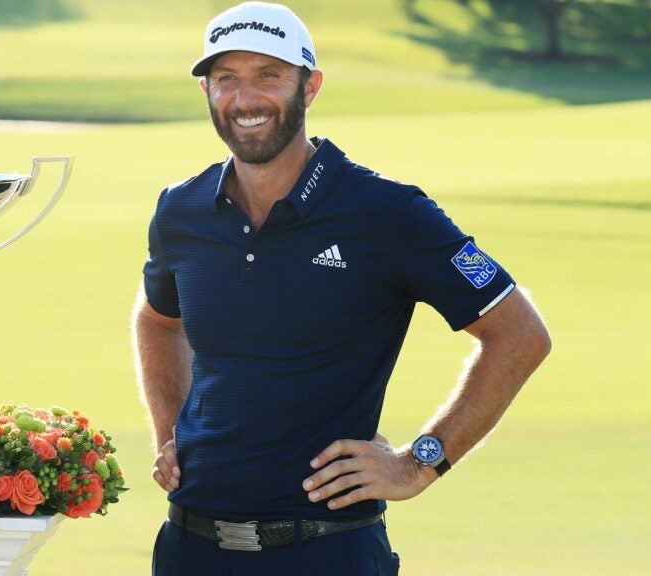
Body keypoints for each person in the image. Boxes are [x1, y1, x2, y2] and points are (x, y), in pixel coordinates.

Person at [132, 2, 552, 574]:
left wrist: (419, 462)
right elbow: (159, 319)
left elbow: (519, 334)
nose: (245, 98)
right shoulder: (180, 210)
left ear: (310, 88)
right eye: (227, 79)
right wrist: (170, 431)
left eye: (269, 76)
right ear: (207, 90)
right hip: (188, 547)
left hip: (328, 551)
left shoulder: (389, 212)